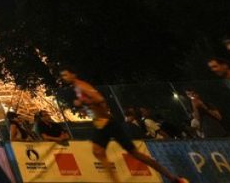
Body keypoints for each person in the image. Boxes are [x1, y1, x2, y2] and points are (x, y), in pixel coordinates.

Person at [60, 68, 188, 183]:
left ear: (73, 74)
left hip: (106, 123)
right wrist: (85, 107)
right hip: (101, 123)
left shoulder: (82, 86)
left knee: (128, 153)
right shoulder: (77, 87)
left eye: (66, 75)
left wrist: (83, 102)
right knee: (101, 152)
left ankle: (173, 178)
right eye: (63, 76)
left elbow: (99, 99)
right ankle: (173, 178)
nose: (64, 78)